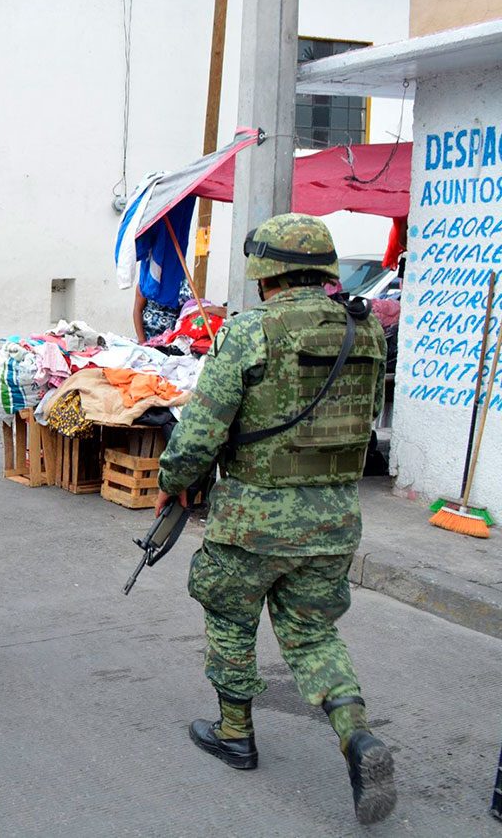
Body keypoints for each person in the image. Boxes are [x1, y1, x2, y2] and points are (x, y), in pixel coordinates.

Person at [155, 214, 395, 825]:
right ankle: (356, 734)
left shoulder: (251, 331)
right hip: (335, 518)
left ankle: (235, 734)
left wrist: (173, 483)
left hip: (253, 521)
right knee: (314, 633)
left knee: (232, 618)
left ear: (264, 271)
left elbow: (202, 430)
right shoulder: (365, 332)